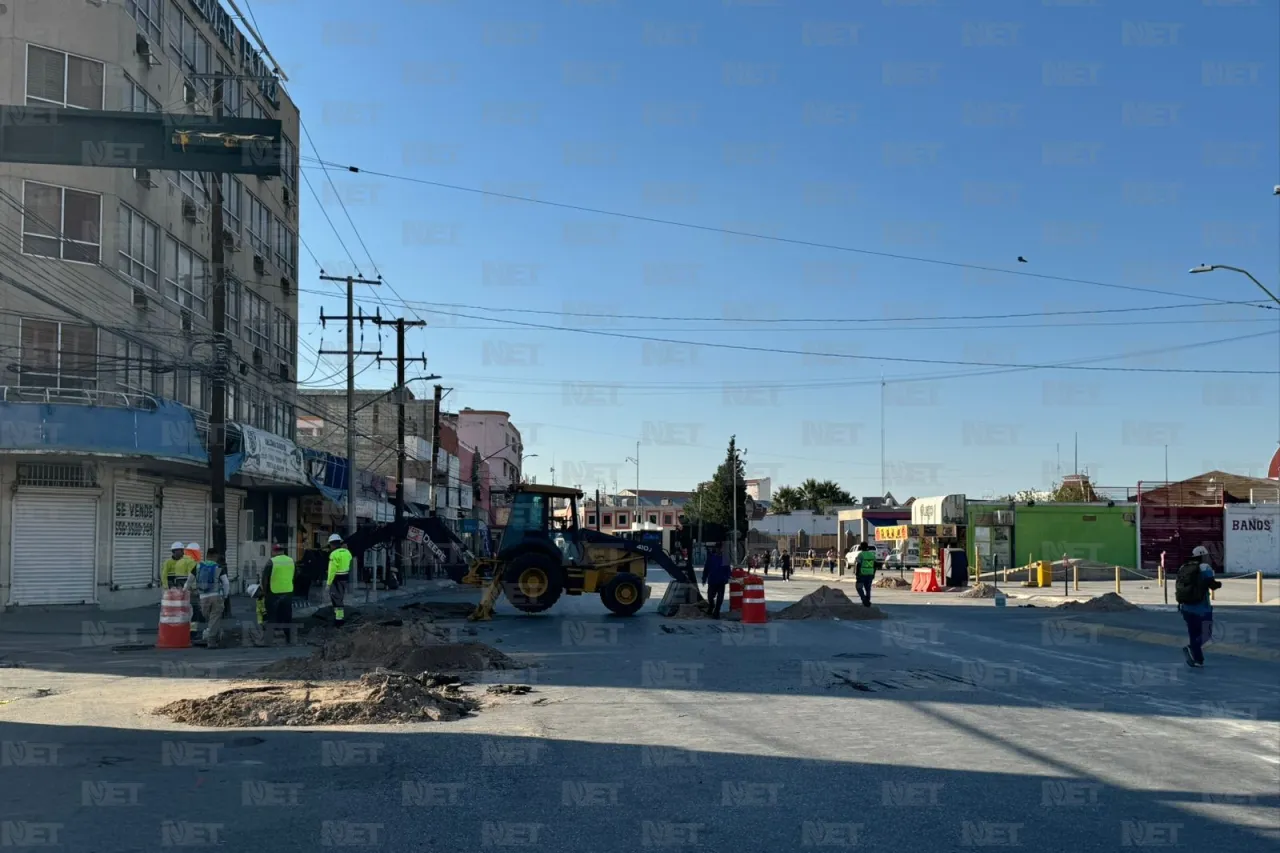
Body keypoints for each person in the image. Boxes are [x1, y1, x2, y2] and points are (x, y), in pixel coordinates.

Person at [1176, 545, 1221, 668]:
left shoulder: (1183, 568)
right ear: (1202, 556)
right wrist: (1219, 584)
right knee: (1206, 634)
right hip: (1202, 608)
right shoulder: (1205, 567)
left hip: (1186, 607)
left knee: (1193, 634)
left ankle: (1198, 660)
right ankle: (1192, 649)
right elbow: (1212, 585)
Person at [187, 547, 227, 648]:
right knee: (214, 618)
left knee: (210, 618)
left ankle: (215, 634)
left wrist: (184, 592)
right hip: (216, 596)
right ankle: (211, 641)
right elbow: (226, 583)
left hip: (203, 597)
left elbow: (189, 581)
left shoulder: (198, 566)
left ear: (207, 556)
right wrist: (225, 595)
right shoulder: (218, 567)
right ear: (215, 556)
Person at [263, 543, 296, 644]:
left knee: (272, 616)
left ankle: (269, 639)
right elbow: (294, 575)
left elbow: (265, 578)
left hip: (274, 592)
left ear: (274, 551)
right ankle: (289, 638)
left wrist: (264, 591)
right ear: (283, 551)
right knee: (287, 616)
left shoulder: (271, 561)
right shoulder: (291, 561)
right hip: (288, 591)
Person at [326, 533, 353, 628]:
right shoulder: (347, 552)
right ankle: (339, 617)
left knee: (336, 598)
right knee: (340, 597)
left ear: (332, 544)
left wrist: (328, 583)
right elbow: (349, 559)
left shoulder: (333, 554)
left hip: (336, 578)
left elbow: (331, 571)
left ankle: (339, 620)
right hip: (345, 577)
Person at [702, 543, 731, 619]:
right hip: (712, 580)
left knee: (720, 598)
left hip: (721, 581)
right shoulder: (711, 558)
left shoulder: (725, 558)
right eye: (717, 548)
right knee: (710, 596)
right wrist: (704, 578)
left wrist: (727, 577)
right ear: (716, 549)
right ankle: (711, 606)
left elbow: (728, 570)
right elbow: (706, 569)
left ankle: (717, 611)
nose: (719, 550)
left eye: (720, 548)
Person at [854, 542, 878, 607]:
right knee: (868, 588)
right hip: (870, 573)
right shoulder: (872, 554)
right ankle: (867, 600)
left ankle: (864, 600)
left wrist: (857, 574)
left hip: (862, 573)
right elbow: (875, 565)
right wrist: (873, 573)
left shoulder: (860, 554)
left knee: (858, 587)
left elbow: (858, 565)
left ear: (861, 547)